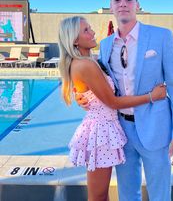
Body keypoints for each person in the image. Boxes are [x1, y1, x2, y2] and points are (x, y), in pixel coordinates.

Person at [92, 0, 173, 201]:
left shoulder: (161, 36)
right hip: (121, 131)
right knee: (127, 194)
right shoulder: (106, 44)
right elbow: (106, 87)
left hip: (156, 129)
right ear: (110, 6)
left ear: (137, 5)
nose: (123, 3)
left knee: (160, 194)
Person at [58, 16, 167, 201]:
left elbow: (93, 91)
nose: (92, 32)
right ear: (74, 39)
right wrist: (151, 96)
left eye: (90, 28)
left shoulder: (89, 60)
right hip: (100, 132)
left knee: (101, 194)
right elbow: (113, 102)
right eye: (86, 30)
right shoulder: (84, 65)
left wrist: (81, 95)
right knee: (98, 195)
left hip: (104, 128)